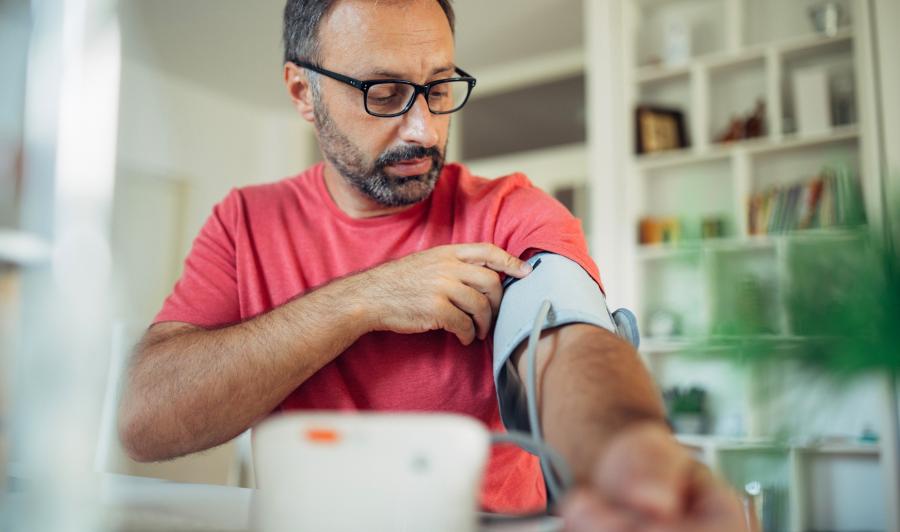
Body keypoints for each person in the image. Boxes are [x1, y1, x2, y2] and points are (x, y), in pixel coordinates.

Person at [118, 0, 746, 529]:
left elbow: (568, 341)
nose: (423, 127)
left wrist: (626, 446)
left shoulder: (512, 212)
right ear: (302, 93)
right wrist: (362, 301)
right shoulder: (245, 223)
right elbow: (145, 421)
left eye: (439, 87)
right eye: (383, 93)